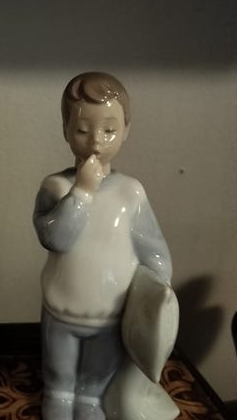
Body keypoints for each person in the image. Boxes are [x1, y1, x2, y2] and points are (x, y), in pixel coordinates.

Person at [33, 72, 172, 420]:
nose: (96, 141)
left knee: (94, 383)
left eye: (109, 130)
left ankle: (90, 403)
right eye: (83, 130)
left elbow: (153, 249)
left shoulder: (130, 192)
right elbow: (55, 238)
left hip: (110, 314)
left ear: (126, 130)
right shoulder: (55, 187)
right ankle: (59, 401)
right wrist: (82, 192)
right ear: (66, 130)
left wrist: (157, 297)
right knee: (59, 379)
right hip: (61, 310)